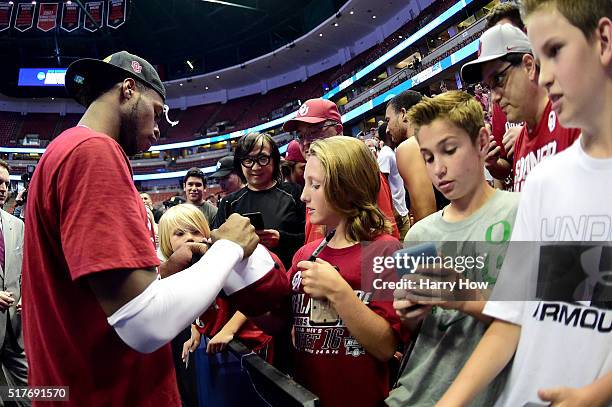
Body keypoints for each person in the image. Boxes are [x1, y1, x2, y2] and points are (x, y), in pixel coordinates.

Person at [22, 51, 289, 406]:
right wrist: (228, 248)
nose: (160, 127)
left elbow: (94, 295)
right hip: (107, 392)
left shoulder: (64, 150)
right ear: (129, 89)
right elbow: (143, 323)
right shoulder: (94, 153)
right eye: (158, 110)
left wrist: (165, 272)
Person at [439, 1, 612, 405]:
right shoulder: (543, 181)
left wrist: (595, 394)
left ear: (603, 40)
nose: (545, 76)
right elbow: (513, 316)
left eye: (554, 51)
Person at [387, 91, 519, 406]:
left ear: (482, 140)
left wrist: (459, 295)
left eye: (449, 150)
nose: (438, 170)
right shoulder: (419, 234)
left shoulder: (522, 212)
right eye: (428, 157)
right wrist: (408, 311)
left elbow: (532, 319)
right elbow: (413, 326)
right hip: (415, 392)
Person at [289, 136, 403, 406]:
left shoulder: (385, 251)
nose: (304, 195)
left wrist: (339, 292)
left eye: (315, 185)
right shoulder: (304, 255)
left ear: (346, 188)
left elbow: (386, 347)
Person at [158, 204, 276, 406]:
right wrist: (197, 328)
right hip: (225, 348)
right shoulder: (184, 266)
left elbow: (250, 299)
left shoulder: (217, 257)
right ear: (167, 242)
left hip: (251, 344)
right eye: (179, 233)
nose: (189, 237)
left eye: (195, 231)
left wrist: (228, 330)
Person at [461, 23, 580, 192]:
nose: (494, 97)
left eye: (499, 79)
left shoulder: (572, 120)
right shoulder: (520, 141)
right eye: (489, 86)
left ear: (529, 66)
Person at [283, 98, 399, 241]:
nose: (306, 142)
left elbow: (383, 245)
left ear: (338, 131)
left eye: (314, 132)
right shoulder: (311, 177)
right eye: (300, 136)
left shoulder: (360, 174)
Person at [212, 132, 305, 270]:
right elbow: (216, 245)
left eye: (262, 158)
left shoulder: (295, 193)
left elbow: (310, 238)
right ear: (240, 164)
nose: (255, 167)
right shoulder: (228, 202)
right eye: (248, 160)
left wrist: (282, 239)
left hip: (287, 277)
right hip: (243, 283)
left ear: (274, 160)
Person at [385, 90, 449, 223]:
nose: (387, 129)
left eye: (388, 120)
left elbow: (427, 219)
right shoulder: (440, 136)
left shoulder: (410, 147)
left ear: (403, 113)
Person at [0, 161, 28, 406]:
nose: (3, 188)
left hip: (14, 329)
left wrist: (28, 296)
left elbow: (25, 272)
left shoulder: (17, 225)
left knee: (28, 394)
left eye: (7, 184)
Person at [376, 123, 410, 240]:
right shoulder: (385, 154)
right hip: (397, 211)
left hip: (401, 208)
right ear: (388, 133)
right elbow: (382, 184)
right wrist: (393, 211)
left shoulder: (392, 152)